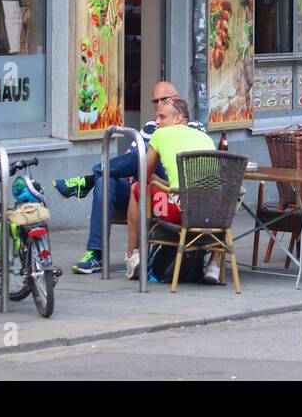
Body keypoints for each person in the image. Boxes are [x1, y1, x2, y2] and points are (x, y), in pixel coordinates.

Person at [56, 80, 204, 275]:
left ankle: (88, 180)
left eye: (164, 100)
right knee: (106, 179)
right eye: (156, 101)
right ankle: (95, 254)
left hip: (168, 186)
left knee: (140, 155)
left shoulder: (194, 127)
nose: (159, 105)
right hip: (141, 184)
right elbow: (127, 162)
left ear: (177, 101)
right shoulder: (150, 128)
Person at [125, 97, 218, 280]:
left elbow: (144, 174)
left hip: (181, 210)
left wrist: (160, 182)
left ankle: (133, 257)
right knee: (221, 199)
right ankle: (214, 266)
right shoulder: (205, 137)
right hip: (214, 212)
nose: (157, 122)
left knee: (136, 189)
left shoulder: (160, 135)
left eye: (162, 117)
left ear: (178, 118)